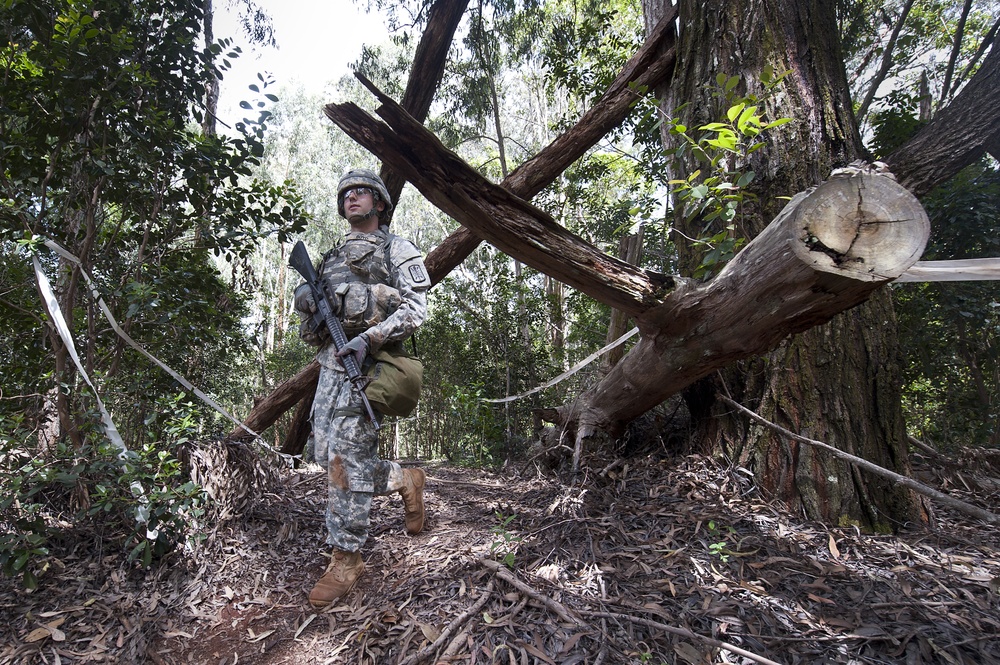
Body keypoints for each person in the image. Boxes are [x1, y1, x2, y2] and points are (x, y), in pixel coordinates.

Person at [293, 168, 430, 608]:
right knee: (323, 454)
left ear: (379, 202)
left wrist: (368, 336)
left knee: (345, 457)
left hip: (370, 363)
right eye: (346, 194)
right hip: (332, 365)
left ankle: (347, 558)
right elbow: (316, 312)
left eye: (361, 192)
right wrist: (307, 300)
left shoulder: (397, 249)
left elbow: (416, 311)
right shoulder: (330, 257)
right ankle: (404, 478)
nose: (352, 198)